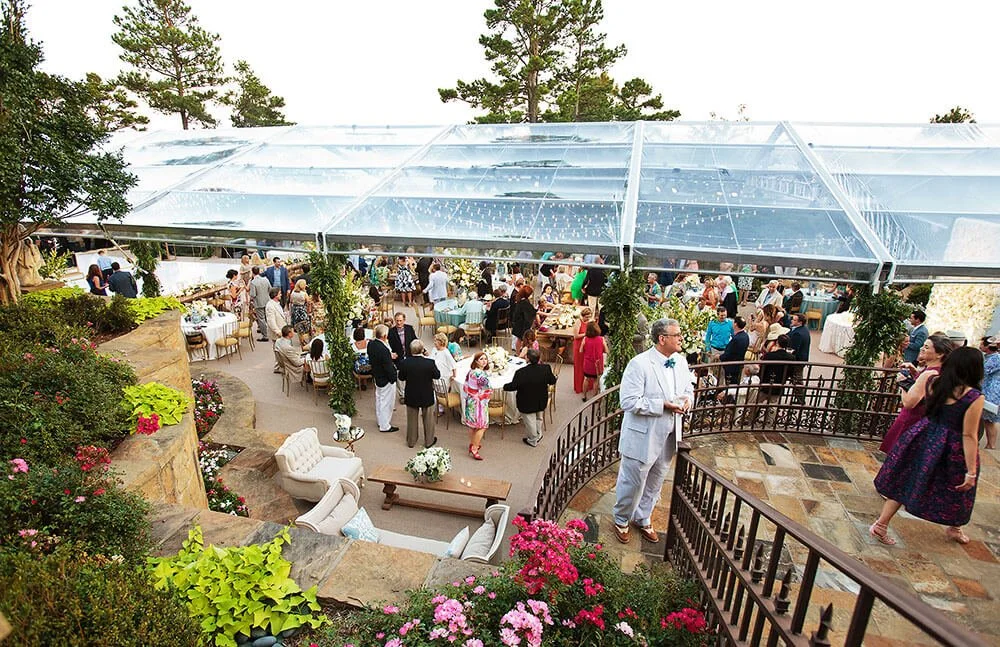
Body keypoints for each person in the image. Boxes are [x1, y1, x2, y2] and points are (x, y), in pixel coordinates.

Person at [871, 346, 985, 547]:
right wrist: (972, 470)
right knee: (960, 486)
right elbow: (969, 434)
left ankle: (881, 524)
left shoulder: (934, 382)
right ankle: (955, 525)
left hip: (924, 435)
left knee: (905, 478)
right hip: (952, 445)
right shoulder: (973, 397)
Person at [612, 318, 693, 544]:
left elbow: (688, 388)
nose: (681, 339)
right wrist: (663, 405)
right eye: (677, 335)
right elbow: (628, 401)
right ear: (662, 338)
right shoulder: (639, 364)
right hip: (642, 436)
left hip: (669, 435)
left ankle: (643, 517)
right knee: (633, 481)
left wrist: (687, 401)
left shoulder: (681, 361)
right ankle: (621, 519)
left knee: (656, 479)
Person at [880, 334, 954, 453]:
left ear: (939, 354)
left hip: (912, 418)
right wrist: (915, 373)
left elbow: (909, 403)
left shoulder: (929, 374)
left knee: (899, 456)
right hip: (923, 418)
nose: (921, 349)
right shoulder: (940, 371)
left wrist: (903, 383)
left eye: (926, 347)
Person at [504, 348, 557, 447]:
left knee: (530, 421)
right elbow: (552, 381)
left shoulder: (521, 372)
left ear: (527, 358)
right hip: (541, 399)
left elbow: (512, 387)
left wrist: (504, 386)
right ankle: (538, 434)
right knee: (538, 417)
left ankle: (533, 440)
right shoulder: (546, 368)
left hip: (526, 402)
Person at [397, 340, 441, 449]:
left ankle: (411, 441)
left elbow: (401, 377)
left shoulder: (405, 363)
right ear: (422, 349)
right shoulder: (429, 363)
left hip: (411, 394)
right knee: (429, 420)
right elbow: (437, 375)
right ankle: (429, 441)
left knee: (412, 420)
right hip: (426, 394)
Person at [757, 334, 796, 426]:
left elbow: (763, 369)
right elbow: (791, 372)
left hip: (766, 383)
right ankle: (769, 424)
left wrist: (760, 379)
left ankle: (750, 420)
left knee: (757, 403)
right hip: (779, 384)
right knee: (773, 406)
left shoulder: (769, 356)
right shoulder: (791, 358)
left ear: (777, 343)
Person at [368, 324, 399, 434]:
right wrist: (393, 378)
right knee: (387, 402)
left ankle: (380, 420)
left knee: (380, 400)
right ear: (384, 336)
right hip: (386, 379)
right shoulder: (383, 350)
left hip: (377, 376)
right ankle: (385, 425)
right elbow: (388, 367)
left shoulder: (371, 344)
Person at [462, 352, 492, 460]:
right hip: (479, 402)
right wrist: (485, 397)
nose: (484, 361)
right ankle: (475, 447)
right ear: (476, 361)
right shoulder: (481, 375)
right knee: (482, 426)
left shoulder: (470, 372)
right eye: (481, 359)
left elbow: (465, 386)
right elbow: (487, 389)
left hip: (470, 400)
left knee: (472, 425)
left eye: (485, 359)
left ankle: (472, 443)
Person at [388, 312, 418, 401]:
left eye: (400, 321)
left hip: (409, 355)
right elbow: (389, 345)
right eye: (397, 321)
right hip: (398, 358)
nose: (399, 323)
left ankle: (411, 392)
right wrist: (392, 353)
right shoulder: (391, 332)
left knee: (411, 375)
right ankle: (402, 395)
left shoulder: (409, 329)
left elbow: (415, 340)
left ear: (404, 320)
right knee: (400, 377)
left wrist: (422, 350)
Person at [581, 320, 609, 401]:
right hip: (598, 363)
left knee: (586, 379)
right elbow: (606, 351)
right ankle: (594, 398)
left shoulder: (585, 339)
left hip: (588, 362)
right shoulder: (601, 339)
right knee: (596, 380)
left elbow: (581, 350)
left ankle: (584, 396)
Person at [719, 316, 750, 386]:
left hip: (731, 366)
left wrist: (720, 357)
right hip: (738, 365)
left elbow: (728, 354)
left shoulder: (736, 339)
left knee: (730, 384)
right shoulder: (745, 336)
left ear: (735, 324)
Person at [787, 313, 811, 401]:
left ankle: (801, 400)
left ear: (800, 322)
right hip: (801, 359)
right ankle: (800, 398)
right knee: (797, 380)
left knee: (797, 380)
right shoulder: (803, 329)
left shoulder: (798, 333)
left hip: (797, 360)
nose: (791, 320)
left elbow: (793, 349)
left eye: (794, 320)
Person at [981, 336, 999, 449]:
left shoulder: (995, 358)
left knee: (990, 419)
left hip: (992, 390)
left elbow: (984, 371)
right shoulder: (989, 357)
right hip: (988, 388)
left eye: (982, 344)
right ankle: (990, 444)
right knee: (987, 419)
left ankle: (991, 444)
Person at [704, 305, 734, 369]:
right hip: (714, 349)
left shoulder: (730, 323)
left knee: (723, 370)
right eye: (722, 316)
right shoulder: (712, 323)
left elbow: (734, 336)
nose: (724, 317)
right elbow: (708, 337)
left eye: (725, 315)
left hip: (724, 351)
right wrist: (708, 349)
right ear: (717, 315)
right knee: (711, 369)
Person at [573, 308, 594, 394]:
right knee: (579, 366)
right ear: (583, 316)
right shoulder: (578, 322)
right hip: (578, 346)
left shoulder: (589, 322)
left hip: (587, 346)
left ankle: (588, 385)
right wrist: (586, 334)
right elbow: (576, 336)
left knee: (586, 365)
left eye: (589, 317)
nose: (588, 319)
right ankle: (579, 386)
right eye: (586, 317)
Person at [248, 267, 272, 341]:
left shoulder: (253, 282)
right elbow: (270, 289)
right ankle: (270, 332)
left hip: (259, 302)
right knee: (267, 317)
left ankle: (265, 335)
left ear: (253, 272)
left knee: (261, 319)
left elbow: (253, 294)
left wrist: (250, 301)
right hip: (267, 301)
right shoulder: (265, 279)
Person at [290, 279, 311, 344]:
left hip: (295, 310)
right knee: (304, 325)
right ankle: (304, 340)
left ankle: (301, 340)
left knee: (298, 326)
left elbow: (291, 301)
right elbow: (308, 302)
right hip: (302, 310)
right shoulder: (304, 294)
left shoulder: (293, 293)